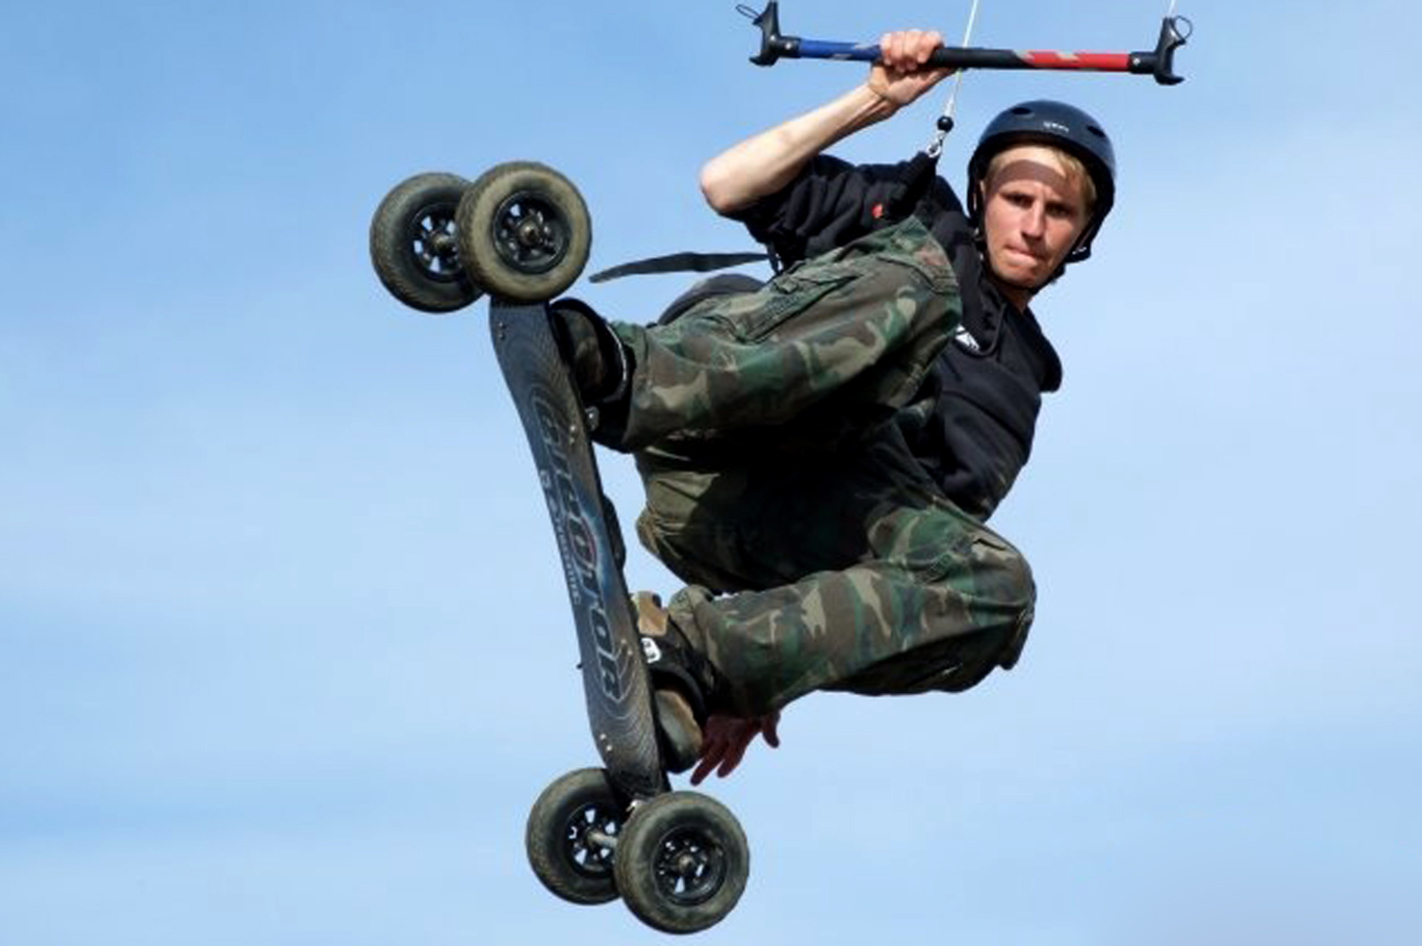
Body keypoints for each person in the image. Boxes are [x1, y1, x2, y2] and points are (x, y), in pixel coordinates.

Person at [550, 30, 1117, 784]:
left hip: (744, 525)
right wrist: (874, 99)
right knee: (921, 280)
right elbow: (727, 184)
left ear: (1081, 234)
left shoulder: (1014, 394)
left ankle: (695, 655)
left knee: (1000, 588)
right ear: (984, 194)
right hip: (710, 404)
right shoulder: (916, 221)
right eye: (1018, 199)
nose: (1034, 226)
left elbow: (909, 563)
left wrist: (765, 669)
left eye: (1059, 212)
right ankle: (620, 370)